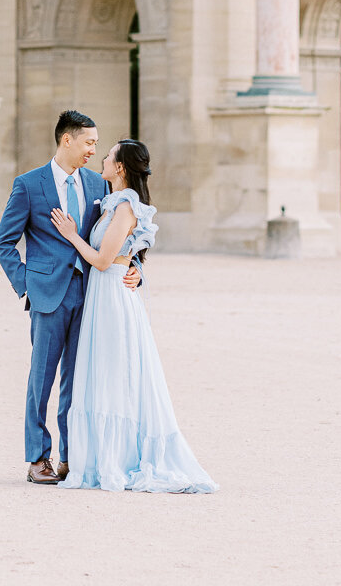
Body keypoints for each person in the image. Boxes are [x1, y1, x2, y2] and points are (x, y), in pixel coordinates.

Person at [50, 138, 218, 494]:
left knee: (115, 373)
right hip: (103, 293)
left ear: (120, 167)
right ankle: (98, 457)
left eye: (109, 156)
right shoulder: (113, 203)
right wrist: (135, 267)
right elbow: (126, 253)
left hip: (111, 296)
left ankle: (118, 458)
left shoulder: (126, 206)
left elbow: (103, 259)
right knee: (104, 373)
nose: (103, 159)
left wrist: (70, 235)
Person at [0, 110, 141, 485]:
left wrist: (135, 265)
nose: (94, 149)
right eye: (89, 142)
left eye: (96, 144)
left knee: (79, 379)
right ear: (67, 140)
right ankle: (37, 458)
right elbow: (4, 242)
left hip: (92, 295)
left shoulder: (98, 185)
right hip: (47, 295)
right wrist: (27, 282)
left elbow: (116, 234)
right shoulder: (28, 184)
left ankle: (72, 456)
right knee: (41, 379)